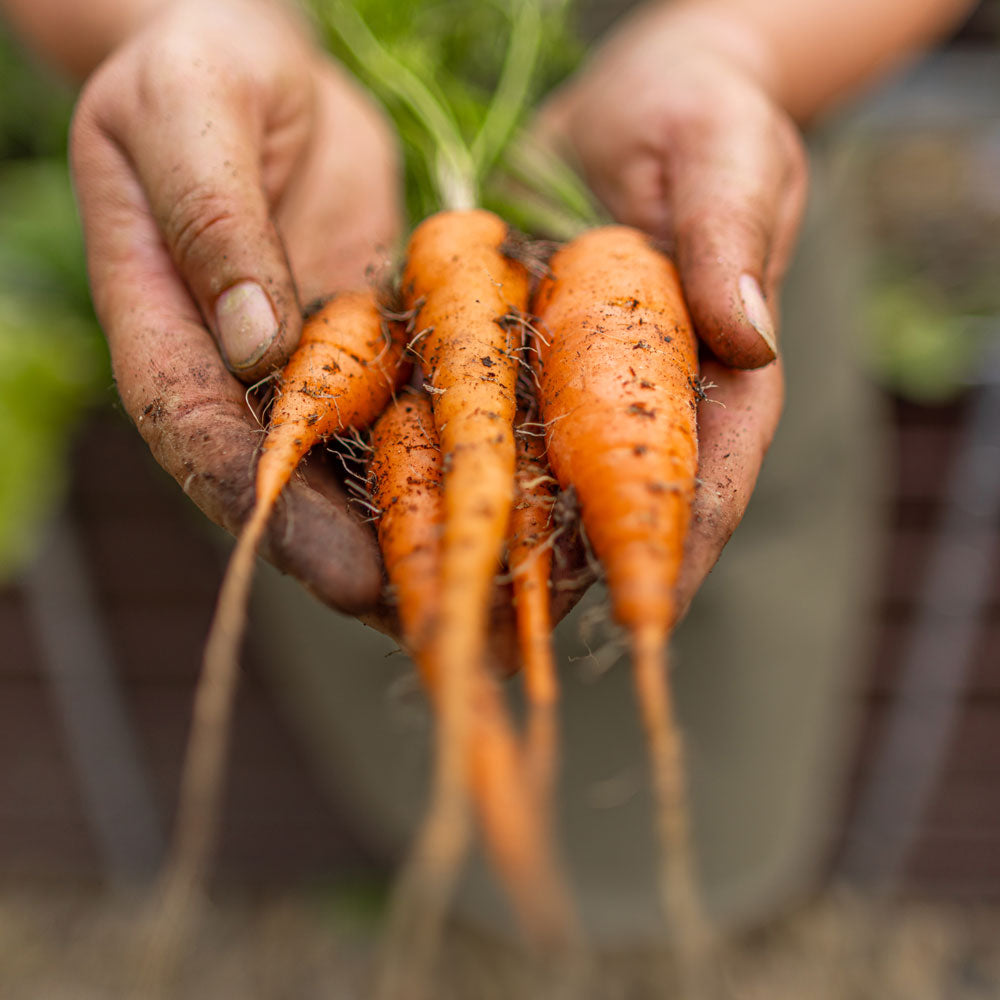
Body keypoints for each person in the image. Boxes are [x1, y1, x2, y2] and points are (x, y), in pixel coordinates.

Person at [2, 0, 978, 937]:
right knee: (375, 578)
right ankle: (485, 882)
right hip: (311, 220)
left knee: (715, 665)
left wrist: (737, 46)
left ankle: (686, 903)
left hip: (682, 196)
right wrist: (167, 20)